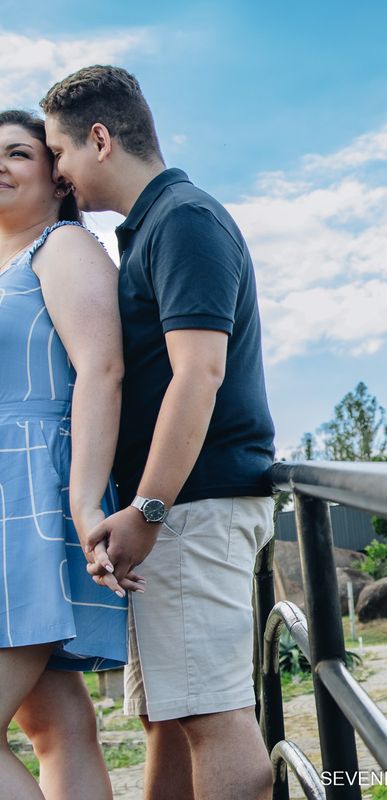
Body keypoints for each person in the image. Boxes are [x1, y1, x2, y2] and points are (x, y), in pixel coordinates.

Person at [42, 66, 277, 800]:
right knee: (168, 719)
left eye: (59, 151)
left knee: (212, 717)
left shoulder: (183, 220)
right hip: (181, 510)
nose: (56, 170)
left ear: (100, 139)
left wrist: (147, 509)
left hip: (193, 508)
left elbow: (198, 374)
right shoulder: (153, 228)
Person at [0, 109, 140, 800]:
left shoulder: (61, 246)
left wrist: (84, 503)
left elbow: (101, 369)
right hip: (8, 493)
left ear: (57, 178)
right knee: (54, 725)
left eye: (16, 153)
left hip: (33, 495)